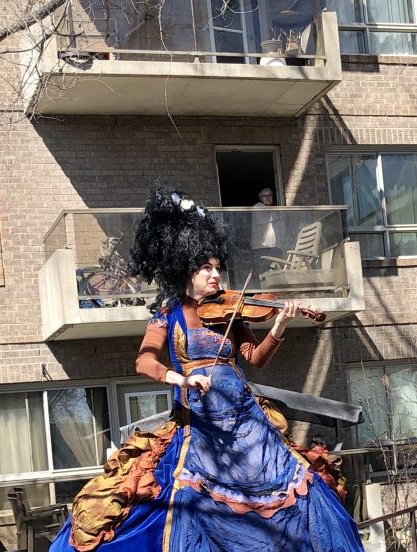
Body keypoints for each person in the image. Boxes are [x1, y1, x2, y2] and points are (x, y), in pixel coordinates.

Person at [50, 186, 363, 552]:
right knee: (186, 497)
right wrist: (180, 377)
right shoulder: (168, 315)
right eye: (206, 269)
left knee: (300, 485)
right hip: (200, 422)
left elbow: (255, 357)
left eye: (217, 268)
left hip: (246, 419)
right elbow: (144, 360)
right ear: (187, 271)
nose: (216, 276)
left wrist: (278, 326)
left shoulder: (230, 310)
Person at [251, 187, 281, 276]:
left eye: (269, 195)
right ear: (260, 198)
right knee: (263, 273)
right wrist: (276, 212)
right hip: (261, 247)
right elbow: (269, 218)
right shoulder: (257, 207)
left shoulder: (272, 209)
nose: (267, 198)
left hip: (274, 247)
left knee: (276, 272)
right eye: (265, 196)